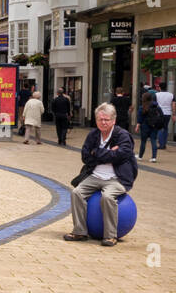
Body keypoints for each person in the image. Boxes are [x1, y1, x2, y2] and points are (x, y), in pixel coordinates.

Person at [64, 103, 135, 248]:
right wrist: (109, 154)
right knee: (77, 192)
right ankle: (80, 231)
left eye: (106, 120)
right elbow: (85, 156)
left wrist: (96, 152)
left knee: (107, 197)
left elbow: (122, 155)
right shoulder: (93, 135)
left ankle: (110, 236)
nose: (103, 122)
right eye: (100, 119)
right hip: (95, 176)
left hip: (117, 178)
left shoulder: (123, 136)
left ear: (113, 120)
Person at [135, 90, 161, 163]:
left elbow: (140, 119)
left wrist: (137, 126)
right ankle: (154, 158)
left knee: (143, 142)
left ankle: (140, 156)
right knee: (153, 141)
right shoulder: (156, 106)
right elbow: (161, 115)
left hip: (144, 127)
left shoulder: (142, 107)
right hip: (154, 126)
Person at [154, 81, 176, 152]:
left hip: (159, 113)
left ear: (159, 87)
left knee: (159, 128)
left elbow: (154, 104)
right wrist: (174, 114)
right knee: (165, 128)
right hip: (168, 113)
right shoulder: (171, 95)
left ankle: (161, 144)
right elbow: (173, 105)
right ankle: (164, 143)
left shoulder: (156, 95)